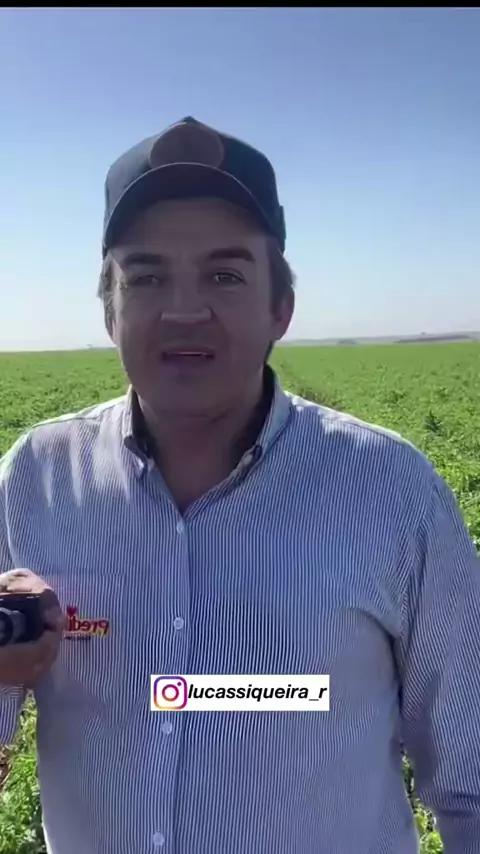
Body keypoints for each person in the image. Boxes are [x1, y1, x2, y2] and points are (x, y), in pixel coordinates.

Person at [0, 116, 479, 854]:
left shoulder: (393, 490)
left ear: (280, 308)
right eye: (146, 277)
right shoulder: (35, 478)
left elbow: (471, 778)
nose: (184, 309)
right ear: (110, 311)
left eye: (225, 275)